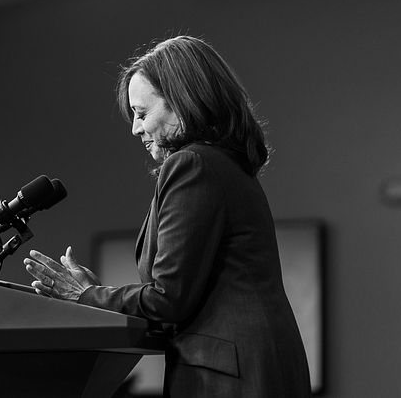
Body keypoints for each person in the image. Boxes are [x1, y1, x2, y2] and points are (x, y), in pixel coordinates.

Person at [24, 35, 311, 398]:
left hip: (230, 377)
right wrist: (95, 296)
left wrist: (85, 295)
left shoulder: (193, 165)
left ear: (183, 102)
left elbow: (168, 299)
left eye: (142, 114)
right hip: (254, 365)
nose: (135, 129)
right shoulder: (225, 166)